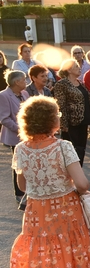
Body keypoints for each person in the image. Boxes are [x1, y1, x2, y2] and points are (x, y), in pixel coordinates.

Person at [3, 97, 90, 268]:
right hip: (65, 212)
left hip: (36, 213)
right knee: (70, 259)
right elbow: (82, 183)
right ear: (51, 120)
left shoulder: (21, 149)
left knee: (43, 262)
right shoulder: (62, 147)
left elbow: (22, 185)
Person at [53, 59, 90, 165]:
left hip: (83, 122)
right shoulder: (62, 84)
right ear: (69, 70)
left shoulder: (80, 82)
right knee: (71, 151)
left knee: (81, 149)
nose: (79, 68)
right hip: (71, 123)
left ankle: (79, 171)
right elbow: (61, 105)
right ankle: (71, 175)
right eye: (76, 66)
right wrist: (64, 123)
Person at [1, 71, 28, 206]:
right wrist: (20, 129)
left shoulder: (24, 94)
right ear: (16, 82)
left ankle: (28, 191)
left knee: (29, 164)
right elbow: (4, 118)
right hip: (15, 136)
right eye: (24, 79)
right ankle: (19, 194)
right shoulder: (4, 96)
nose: (26, 81)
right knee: (18, 165)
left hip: (29, 135)